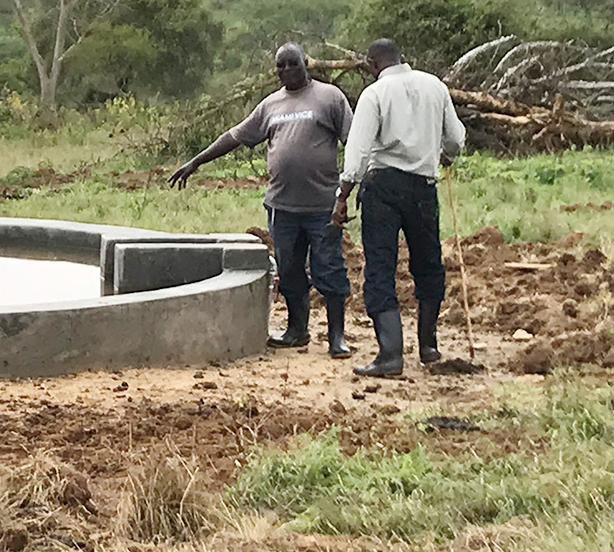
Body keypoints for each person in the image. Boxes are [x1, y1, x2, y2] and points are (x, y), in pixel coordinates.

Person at [169, 42, 354, 358]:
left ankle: (337, 336)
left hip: (322, 205)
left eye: (291, 64)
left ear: (305, 64)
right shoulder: (270, 105)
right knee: (290, 270)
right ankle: (297, 330)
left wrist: (348, 192)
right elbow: (235, 136)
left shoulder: (330, 97)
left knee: (329, 269)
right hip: (282, 206)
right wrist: (196, 161)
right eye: (279, 66)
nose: (285, 71)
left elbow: (354, 142)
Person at [332, 38, 467, 378]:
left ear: (373, 64)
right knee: (428, 263)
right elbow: (455, 138)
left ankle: (390, 355)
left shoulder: (374, 94)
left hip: (383, 188)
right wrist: (445, 156)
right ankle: (428, 345)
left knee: (380, 266)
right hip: (423, 186)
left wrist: (343, 194)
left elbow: (358, 152)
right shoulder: (434, 85)